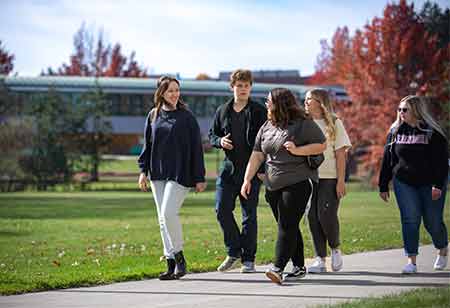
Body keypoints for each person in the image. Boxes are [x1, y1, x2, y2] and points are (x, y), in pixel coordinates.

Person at [241, 88, 326, 284]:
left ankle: (277, 267)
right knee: (287, 225)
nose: (266, 103)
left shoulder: (303, 123)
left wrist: (298, 151)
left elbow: (321, 145)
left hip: (299, 182)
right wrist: (247, 180)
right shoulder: (267, 125)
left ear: (279, 103)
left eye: (268, 100)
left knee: (286, 225)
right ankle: (298, 267)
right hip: (272, 185)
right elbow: (257, 155)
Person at [137, 76, 206, 280]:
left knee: (168, 214)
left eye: (177, 90)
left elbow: (197, 148)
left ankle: (179, 257)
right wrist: (143, 171)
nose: (175, 94)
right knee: (161, 219)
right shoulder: (153, 115)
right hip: (157, 172)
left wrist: (199, 177)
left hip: (180, 173)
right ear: (162, 93)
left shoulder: (187, 117)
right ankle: (170, 263)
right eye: (170, 91)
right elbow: (147, 146)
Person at [378, 95, 449, 274]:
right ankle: (411, 260)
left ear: (416, 111)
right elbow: (388, 159)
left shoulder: (432, 132)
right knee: (410, 219)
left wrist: (438, 185)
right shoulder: (395, 131)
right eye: (399, 110)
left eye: (405, 110)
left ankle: (442, 248)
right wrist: (383, 185)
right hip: (403, 182)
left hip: (430, 182)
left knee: (432, 222)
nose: (401, 113)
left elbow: (441, 162)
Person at [209, 69, 267, 273]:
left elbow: (267, 141)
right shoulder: (222, 110)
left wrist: (264, 168)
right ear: (232, 87)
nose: (243, 89)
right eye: (239, 85)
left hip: (252, 170)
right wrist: (219, 141)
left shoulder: (259, 111)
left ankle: (248, 259)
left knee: (248, 214)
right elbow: (211, 135)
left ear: (250, 87)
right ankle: (234, 251)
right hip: (228, 170)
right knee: (221, 209)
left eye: (246, 85)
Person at [304, 88, 352, 273]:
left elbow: (341, 154)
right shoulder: (302, 122)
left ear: (320, 102)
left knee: (326, 214)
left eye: (310, 99)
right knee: (312, 217)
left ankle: (335, 249)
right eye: (306, 99)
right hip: (308, 178)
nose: (306, 102)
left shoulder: (334, 122)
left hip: (330, 178)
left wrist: (341, 181)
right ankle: (319, 259)